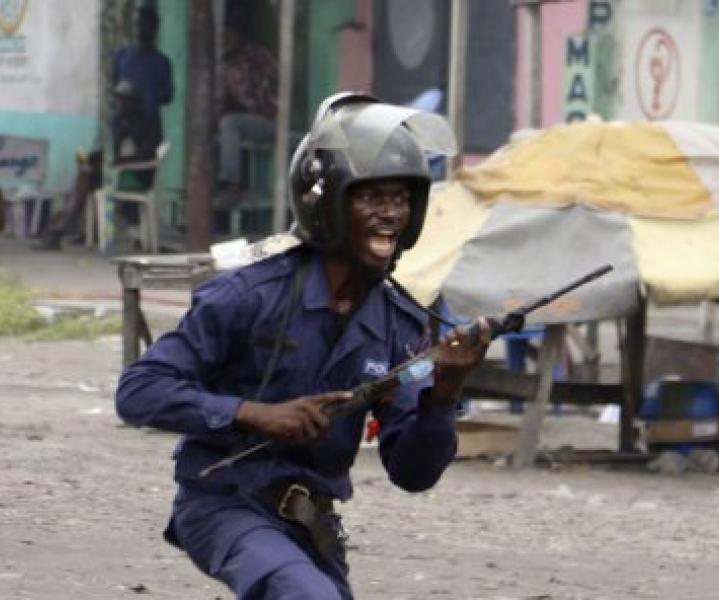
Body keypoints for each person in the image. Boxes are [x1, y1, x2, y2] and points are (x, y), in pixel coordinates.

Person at [115, 92, 489, 599]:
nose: (390, 215)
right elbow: (138, 391)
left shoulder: (400, 325)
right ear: (326, 203)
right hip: (223, 506)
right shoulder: (250, 296)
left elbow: (413, 474)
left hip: (311, 529)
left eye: (401, 199)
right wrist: (252, 413)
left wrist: (446, 389)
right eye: (371, 198)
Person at [217, 10, 279, 203]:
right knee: (215, 128)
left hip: (270, 120)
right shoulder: (226, 64)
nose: (225, 40)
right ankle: (217, 186)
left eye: (229, 35)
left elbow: (277, 81)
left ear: (239, 35)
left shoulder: (257, 56)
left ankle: (233, 184)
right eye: (223, 36)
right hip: (247, 122)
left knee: (229, 123)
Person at [112, 4, 173, 145]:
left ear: (154, 29)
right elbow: (115, 84)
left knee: (147, 164)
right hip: (125, 125)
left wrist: (147, 95)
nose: (140, 29)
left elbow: (168, 95)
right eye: (137, 24)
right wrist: (124, 95)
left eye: (144, 25)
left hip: (149, 126)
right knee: (125, 163)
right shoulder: (122, 55)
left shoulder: (162, 62)